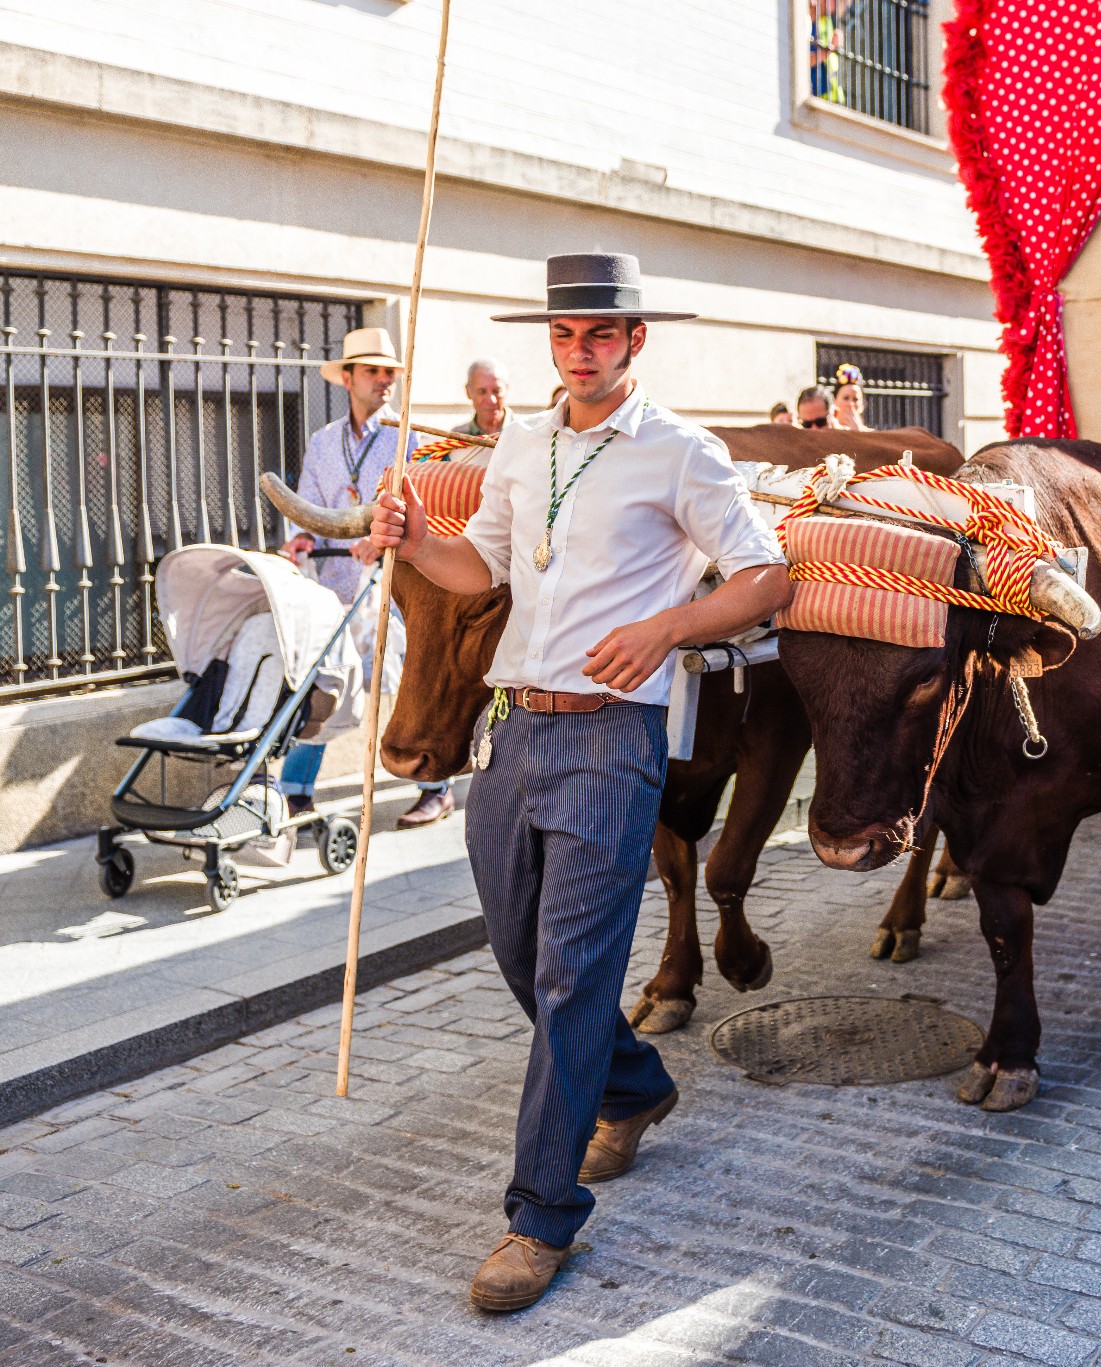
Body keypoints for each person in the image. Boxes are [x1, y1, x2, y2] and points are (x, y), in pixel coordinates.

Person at [362, 253, 791, 1313]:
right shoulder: (522, 437)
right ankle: (635, 1084)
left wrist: (665, 627)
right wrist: (419, 540)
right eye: (563, 335)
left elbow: (766, 572)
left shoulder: (680, 450)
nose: (579, 351)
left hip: (612, 739)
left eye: (600, 334)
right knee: (520, 954)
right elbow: (481, 567)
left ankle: (538, 1216)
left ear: (635, 339)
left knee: (569, 977)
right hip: (514, 736)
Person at [278, 327, 452, 828]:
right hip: (333, 584)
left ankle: (434, 787)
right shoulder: (323, 441)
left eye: (389, 373)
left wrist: (381, 535)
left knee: (401, 682)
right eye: (373, 371)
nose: (383, 381)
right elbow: (308, 501)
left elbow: (428, 506)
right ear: (348, 378)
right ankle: (295, 792)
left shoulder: (408, 437)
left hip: (393, 585)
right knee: (327, 680)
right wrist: (300, 539)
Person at [455, 359, 510, 439]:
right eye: (482, 391)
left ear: (506, 389)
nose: (491, 400)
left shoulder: (526, 432)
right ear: (468, 392)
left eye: (496, 391)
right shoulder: (457, 438)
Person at [830, 362, 869, 431]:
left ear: (862, 405)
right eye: (846, 398)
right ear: (835, 401)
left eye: (855, 399)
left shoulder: (872, 435)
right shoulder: (828, 431)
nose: (851, 404)